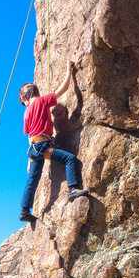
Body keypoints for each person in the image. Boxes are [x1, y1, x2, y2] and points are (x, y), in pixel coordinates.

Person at [19, 61, 88, 222]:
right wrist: (68, 71)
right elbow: (62, 90)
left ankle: (24, 211)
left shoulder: (26, 112)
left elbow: (30, 137)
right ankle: (72, 190)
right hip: (43, 146)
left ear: (25, 97)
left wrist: (29, 161)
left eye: (23, 102)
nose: (25, 105)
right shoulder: (42, 101)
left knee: (33, 179)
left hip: (34, 148)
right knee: (70, 159)